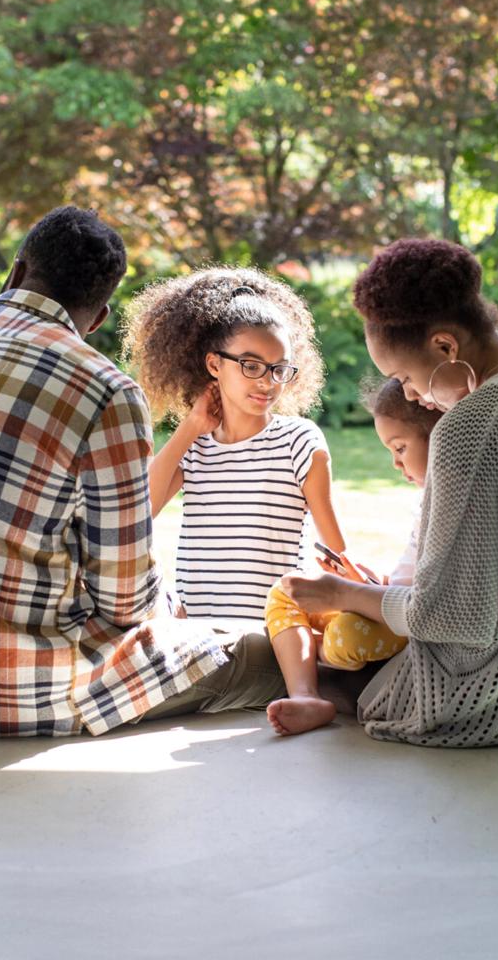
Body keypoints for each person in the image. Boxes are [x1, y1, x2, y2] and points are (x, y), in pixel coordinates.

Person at [0, 207, 287, 738]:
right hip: (15, 696)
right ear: (101, 316)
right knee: (276, 655)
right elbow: (125, 600)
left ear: (15, 273)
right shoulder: (106, 392)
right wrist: (166, 606)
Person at [281, 237, 498, 747]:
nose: (405, 393)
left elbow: (450, 616)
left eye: (402, 376)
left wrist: (343, 593)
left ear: (445, 346)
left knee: (297, 657)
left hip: (494, 702)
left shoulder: (470, 427)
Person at [124, 268, 350, 734]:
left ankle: (304, 694)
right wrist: (189, 428)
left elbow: (335, 553)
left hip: (265, 635)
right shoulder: (196, 447)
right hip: (194, 629)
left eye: (279, 368)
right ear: (213, 365)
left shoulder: (299, 441)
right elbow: (137, 515)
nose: (267, 381)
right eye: (250, 364)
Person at [258, 377, 439, 734]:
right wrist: (367, 581)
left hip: (408, 627)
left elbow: (426, 601)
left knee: (347, 632)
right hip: (386, 604)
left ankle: (309, 652)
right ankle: (306, 694)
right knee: (286, 591)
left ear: (440, 439)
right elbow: (403, 580)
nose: (395, 464)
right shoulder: (425, 502)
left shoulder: (449, 505)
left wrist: (360, 594)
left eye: (400, 448)